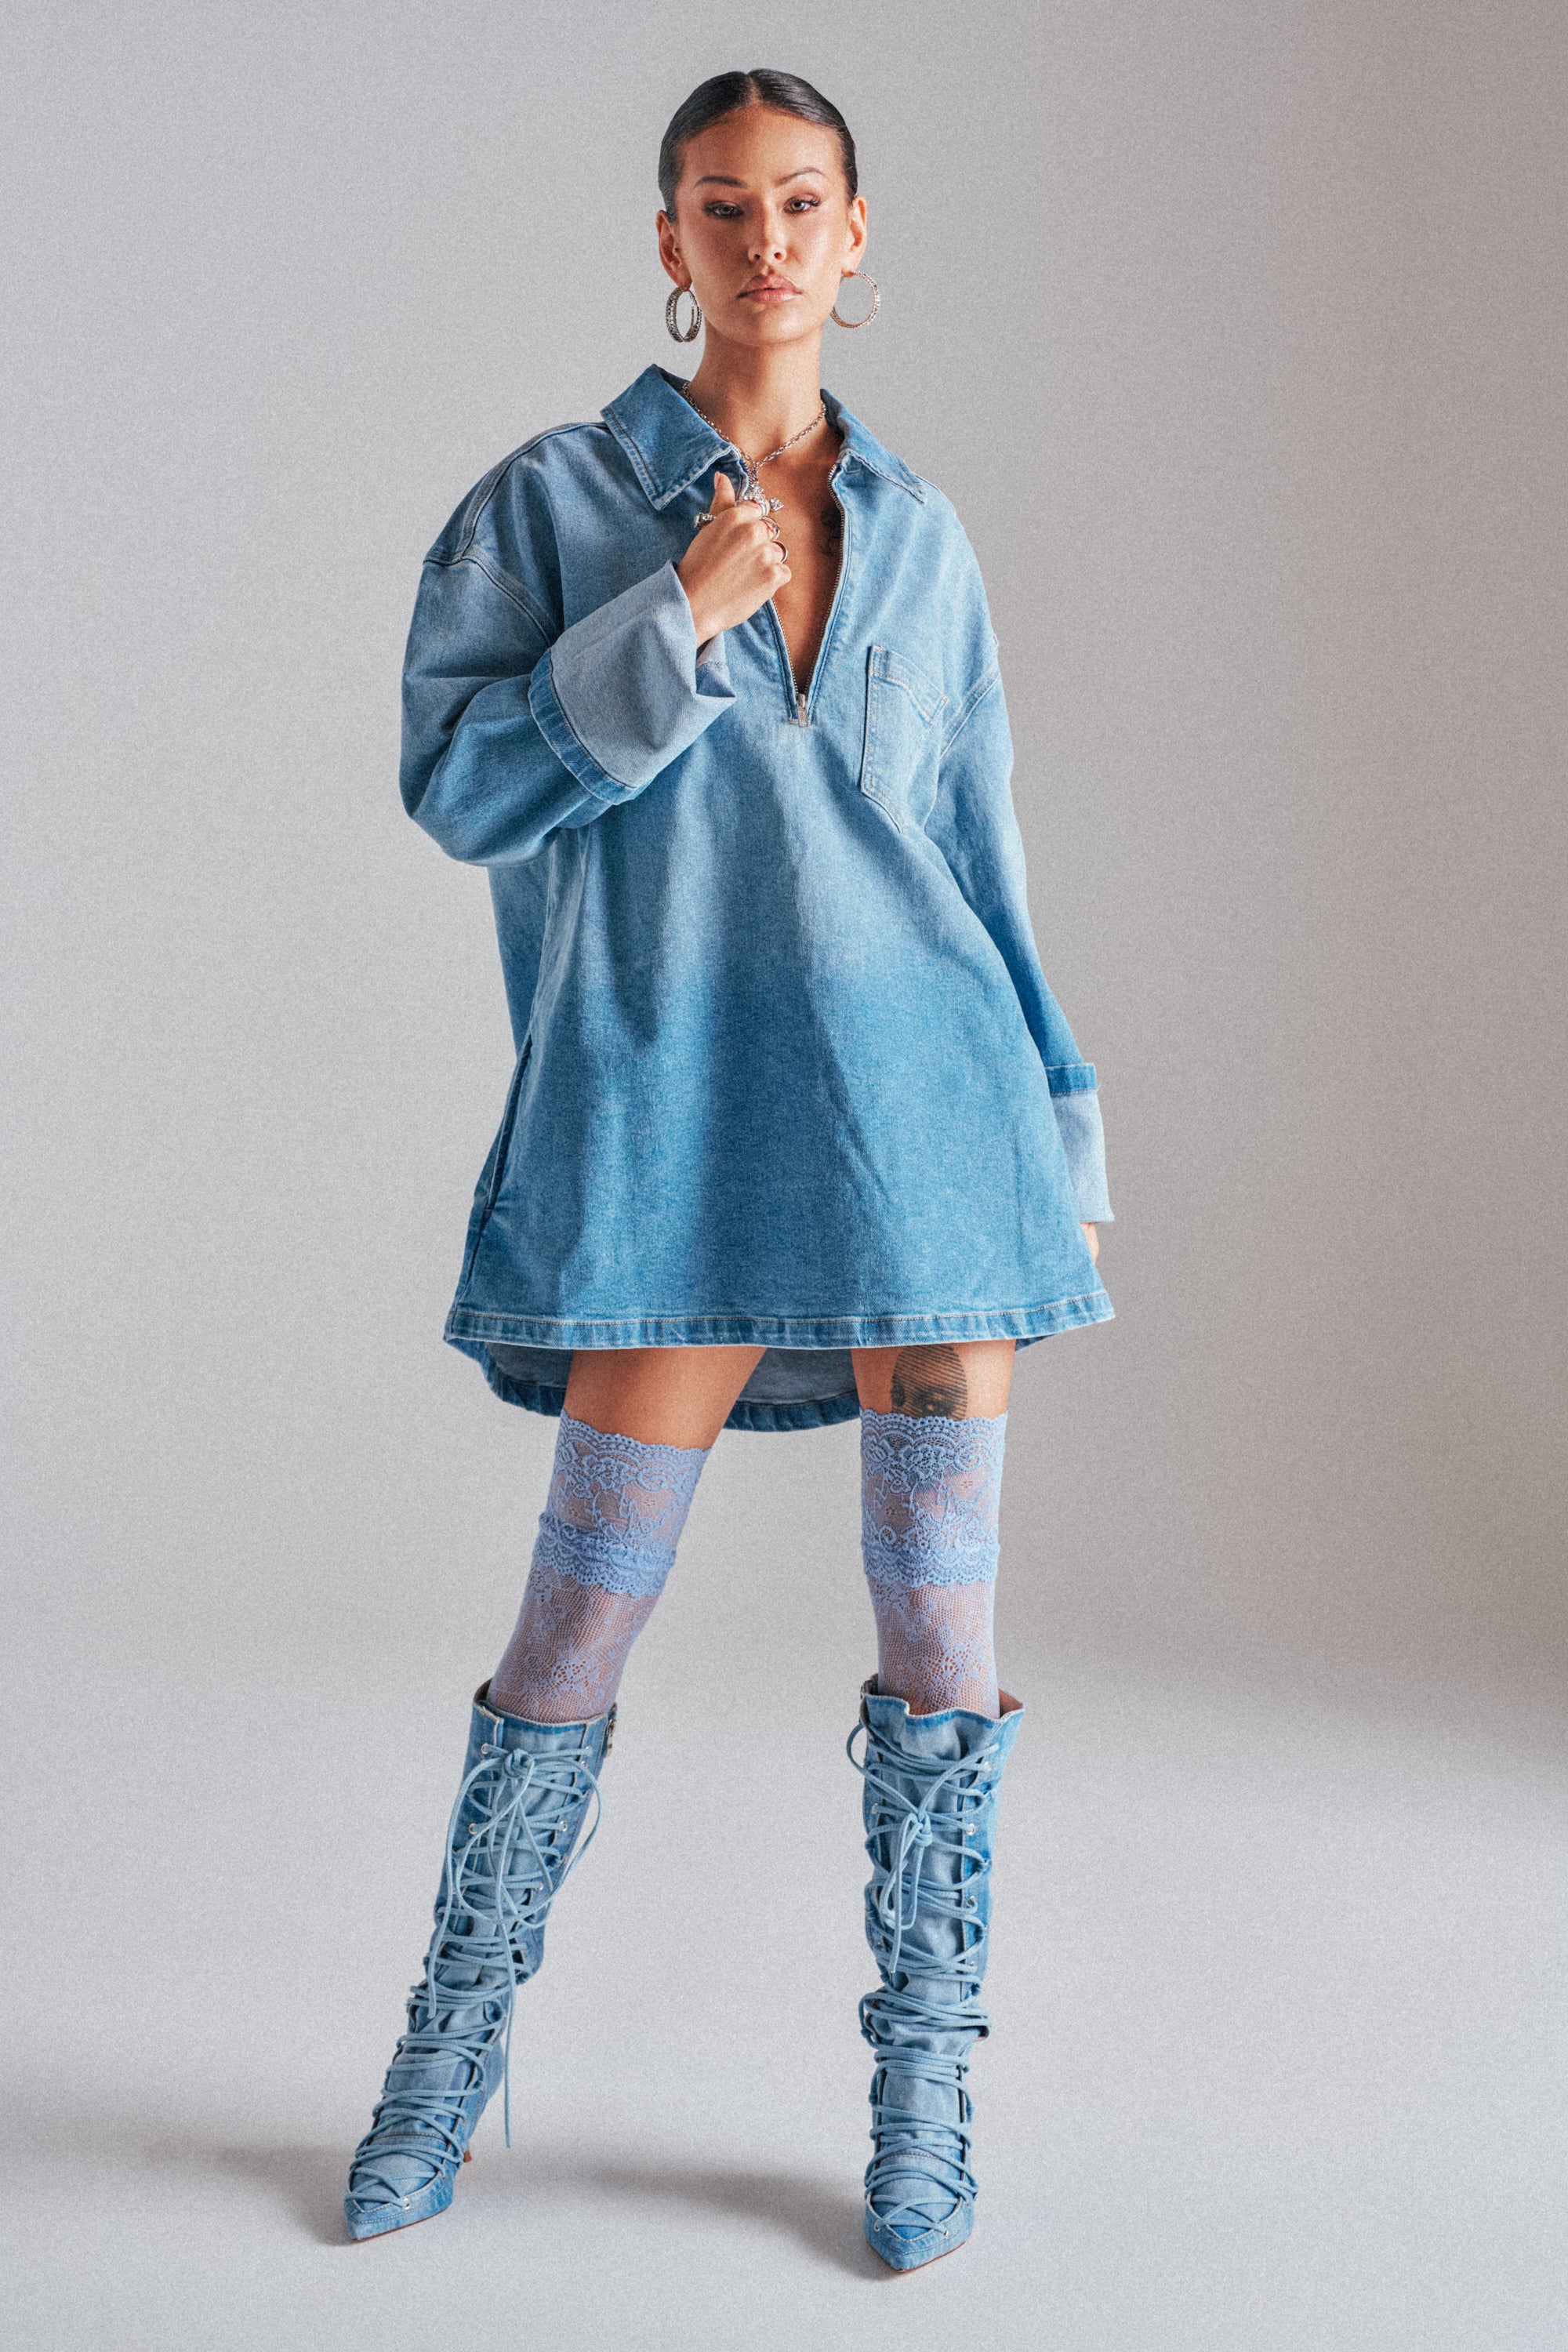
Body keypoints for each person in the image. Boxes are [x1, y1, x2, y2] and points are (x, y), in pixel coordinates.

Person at [343, 67, 1115, 2272]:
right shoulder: (554, 505)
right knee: (577, 1620)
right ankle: (446, 2058)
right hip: (669, 1127)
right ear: (669, 242)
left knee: (938, 1625)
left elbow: (981, 857)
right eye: (721, 204)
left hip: (937, 1133)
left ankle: (924, 2086)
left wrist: (1063, 1124)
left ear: (856, 236)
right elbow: (457, 790)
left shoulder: (926, 537)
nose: (765, 240)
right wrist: (671, 615)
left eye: (800, 202)